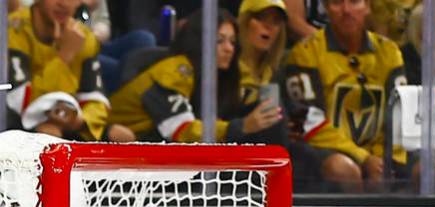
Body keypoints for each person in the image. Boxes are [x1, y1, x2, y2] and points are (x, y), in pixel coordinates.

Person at [281, 0, 408, 192]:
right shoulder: (305, 52)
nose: (346, 10)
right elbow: (306, 122)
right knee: (344, 170)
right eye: (337, 2)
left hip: (377, 151)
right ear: (326, 8)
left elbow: (399, 115)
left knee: (429, 170)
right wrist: (363, 158)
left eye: (355, 2)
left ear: (367, 6)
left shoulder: (389, 53)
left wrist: (383, 159)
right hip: (321, 151)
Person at [110, 8, 284, 142]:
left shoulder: (214, 77)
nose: (229, 48)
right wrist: (242, 126)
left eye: (232, 41)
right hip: (110, 151)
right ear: (200, 40)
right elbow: (182, 130)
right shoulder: (176, 71)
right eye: (219, 40)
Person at [6, 0, 135, 141]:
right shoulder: (13, 29)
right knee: (49, 135)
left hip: (68, 120)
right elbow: (19, 101)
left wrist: (78, 121)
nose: (64, 4)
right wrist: (64, 57)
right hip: (21, 121)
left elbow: (96, 98)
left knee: (122, 135)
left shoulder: (83, 36)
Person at [237, 0, 288, 109]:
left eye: (276, 21)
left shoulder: (278, 74)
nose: (268, 26)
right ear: (244, 21)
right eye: (261, 18)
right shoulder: (225, 69)